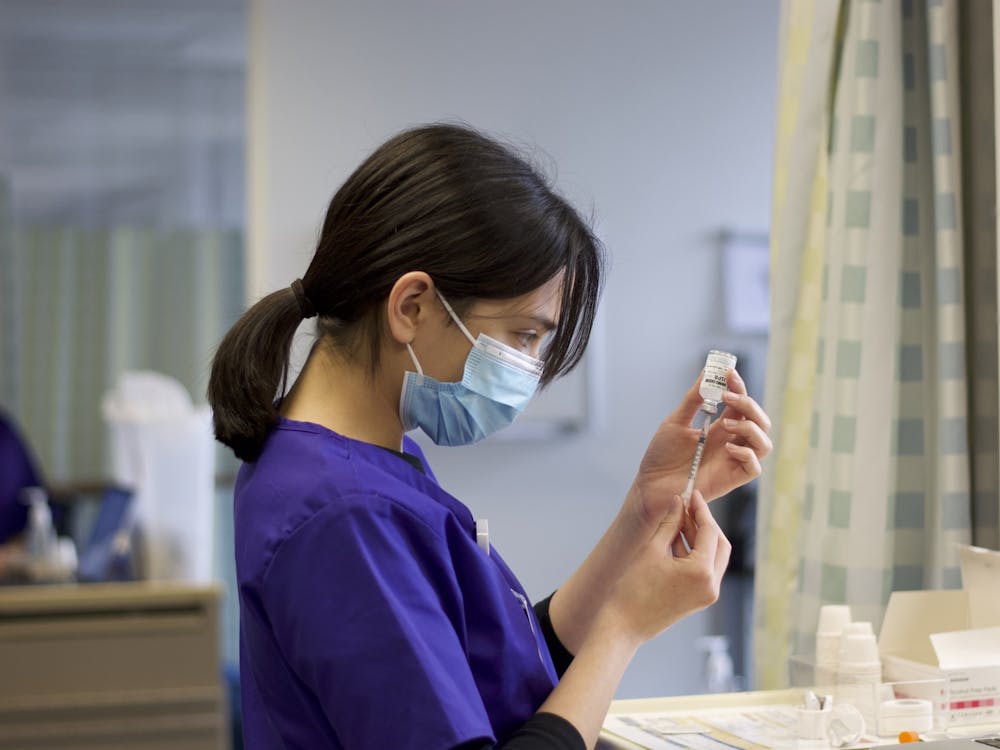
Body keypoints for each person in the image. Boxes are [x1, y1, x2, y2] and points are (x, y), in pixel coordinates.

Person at [208, 123, 772, 750]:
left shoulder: (364, 463)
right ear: (412, 307)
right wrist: (625, 628)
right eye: (524, 335)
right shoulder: (344, 512)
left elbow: (494, 679)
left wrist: (646, 508)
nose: (530, 370)